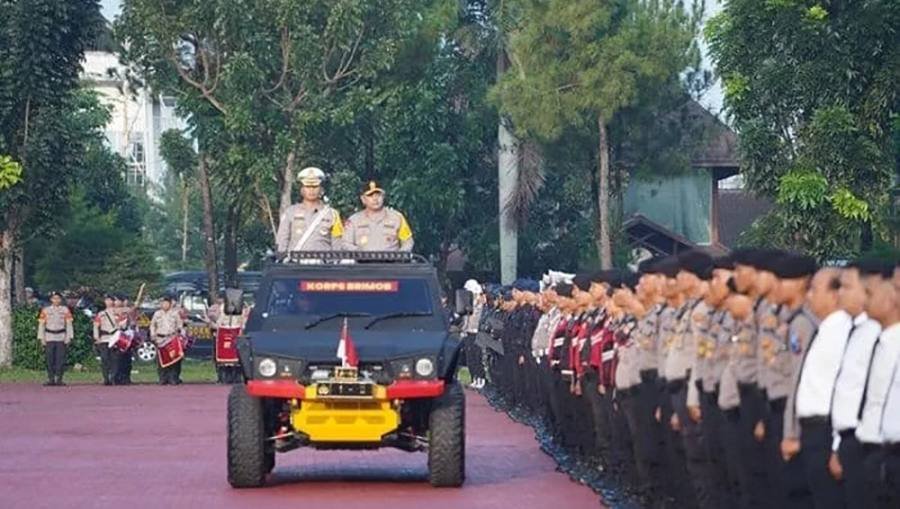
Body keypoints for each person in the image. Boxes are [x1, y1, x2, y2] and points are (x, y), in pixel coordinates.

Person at [782, 267, 852, 509]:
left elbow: (844, 391)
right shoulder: (824, 328)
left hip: (825, 430)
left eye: (814, 290)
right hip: (811, 431)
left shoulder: (842, 331)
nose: (809, 295)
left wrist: (837, 446)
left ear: (835, 294)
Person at [275, 167, 343, 254]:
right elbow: (282, 241)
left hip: (323, 261)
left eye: (315, 186)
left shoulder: (332, 214)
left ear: (321, 189)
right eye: (307, 186)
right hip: (295, 261)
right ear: (302, 189)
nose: (311, 190)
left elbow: (337, 246)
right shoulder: (290, 213)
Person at [342, 180, 414, 252]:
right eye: (370, 195)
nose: (375, 199)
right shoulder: (354, 220)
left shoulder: (397, 217)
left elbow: (408, 241)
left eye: (378, 195)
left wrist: (400, 255)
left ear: (383, 196)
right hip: (362, 259)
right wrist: (360, 253)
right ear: (363, 199)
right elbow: (346, 243)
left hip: (391, 259)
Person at [37, 291, 74, 386]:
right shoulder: (45, 310)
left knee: (60, 359)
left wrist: (69, 337)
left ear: (60, 300)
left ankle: (59, 379)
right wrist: (41, 338)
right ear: (51, 299)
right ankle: (51, 379)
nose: (56, 300)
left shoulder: (65, 310)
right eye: (54, 298)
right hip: (49, 337)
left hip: (61, 337)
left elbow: (69, 324)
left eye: (58, 298)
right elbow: (41, 325)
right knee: (49, 359)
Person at [150, 296, 185, 385]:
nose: (164, 305)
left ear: (170, 304)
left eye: (166, 303)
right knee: (161, 360)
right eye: (163, 303)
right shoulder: (157, 314)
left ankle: (173, 378)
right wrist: (153, 334)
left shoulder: (175, 313)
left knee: (173, 359)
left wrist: (181, 334)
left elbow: (180, 325)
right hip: (160, 339)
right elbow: (153, 325)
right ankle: (163, 378)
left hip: (171, 338)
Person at [92, 295, 124, 385]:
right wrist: (96, 337)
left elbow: (123, 325)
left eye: (110, 300)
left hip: (115, 338)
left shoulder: (118, 312)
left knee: (115, 359)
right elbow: (96, 326)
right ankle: (106, 378)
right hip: (104, 338)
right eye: (107, 300)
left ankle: (113, 377)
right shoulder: (101, 314)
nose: (109, 302)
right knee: (104, 358)